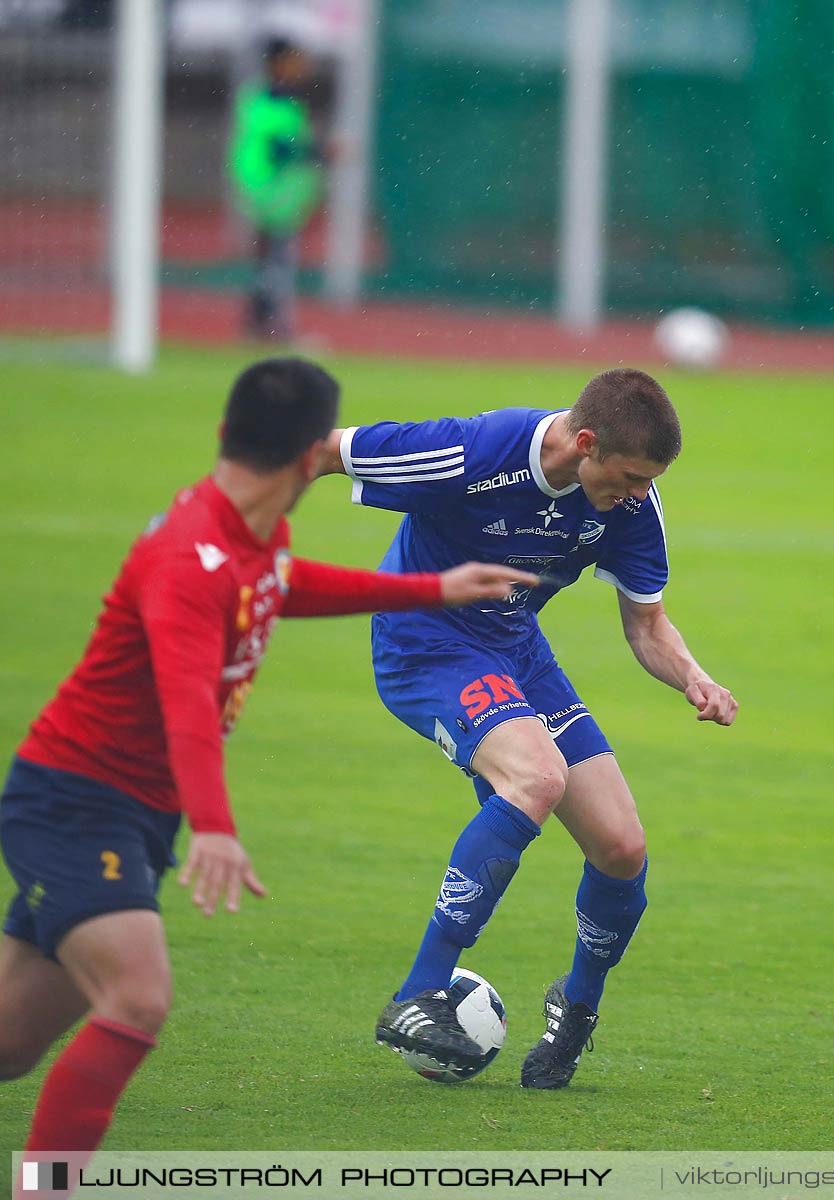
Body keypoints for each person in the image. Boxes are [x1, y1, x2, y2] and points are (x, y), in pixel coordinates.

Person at [0, 359, 534, 1198]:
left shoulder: (249, 529)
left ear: (228, 435)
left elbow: (276, 586)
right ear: (311, 456)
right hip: (74, 803)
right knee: (137, 998)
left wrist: (431, 586)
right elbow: (185, 708)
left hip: (125, 811)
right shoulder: (188, 559)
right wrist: (213, 824)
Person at [311, 368, 738, 1088]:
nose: (637, 495)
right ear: (586, 442)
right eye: (629, 477)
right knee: (537, 776)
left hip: (515, 651)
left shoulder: (633, 503)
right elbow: (323, 452)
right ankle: (419, 991)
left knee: (621, 847)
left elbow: (647, 622)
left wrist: (693, 675)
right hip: (425, 643)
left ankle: (576, 1010)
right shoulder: (471, 453)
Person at [229, 38, 323, 342]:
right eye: (296, 59)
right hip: (271, 191)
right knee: (277, 260)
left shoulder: (277, 98)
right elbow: (281, 147)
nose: (303, 67)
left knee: (270, 259)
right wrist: (321, 151)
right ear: (278, 62)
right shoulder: (271, 99)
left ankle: (261, 324)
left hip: (274, 190)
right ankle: (272, 326)